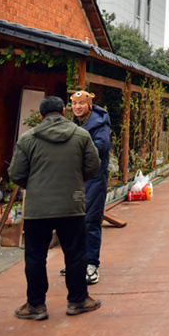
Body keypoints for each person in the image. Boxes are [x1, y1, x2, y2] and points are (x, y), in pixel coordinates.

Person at [9, 95, 101, 320]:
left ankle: (36, 306)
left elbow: (16, 173)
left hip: (37, 209)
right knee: (76, 254)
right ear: (63, 112)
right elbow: (93, 166)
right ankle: (78, 301)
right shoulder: (81, 135)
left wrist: (36, 186)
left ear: (41, 116)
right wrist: (75, 180)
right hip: (72, 205)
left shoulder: (27, 138)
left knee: (35, 256)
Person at [65, 90, 111, 285]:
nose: (77, 107)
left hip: (94, 179)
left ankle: (91, 264)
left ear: (89, 105)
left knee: (91, 221)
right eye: (74, 104)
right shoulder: (75, 123)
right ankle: (78, 261)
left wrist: (76, 147)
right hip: (76, 179)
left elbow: (101, 146)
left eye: (81, 103)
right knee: (75, 221)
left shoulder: (100, 124)